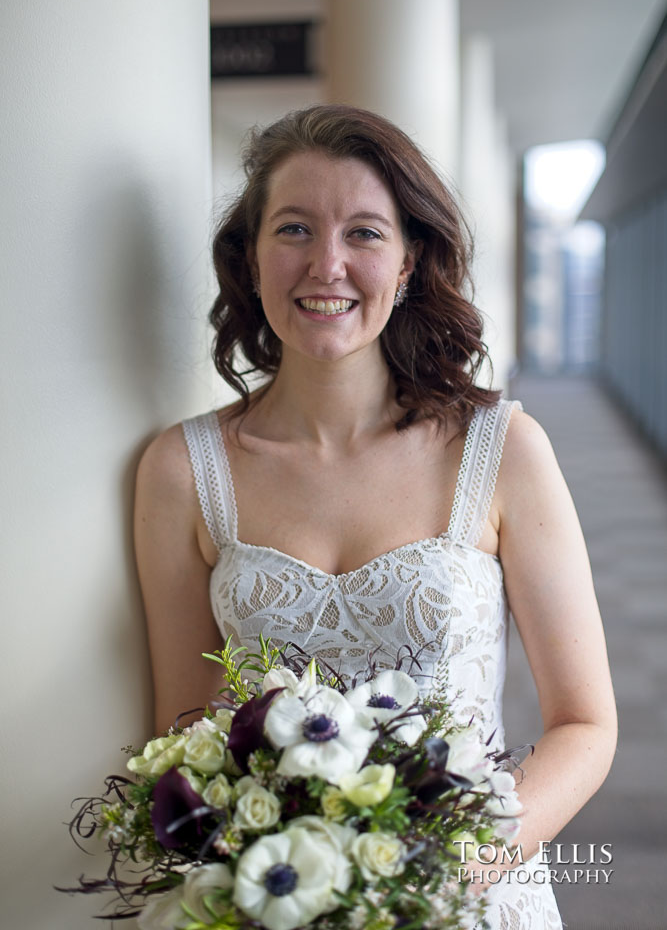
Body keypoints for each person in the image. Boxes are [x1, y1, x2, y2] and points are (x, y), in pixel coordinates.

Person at [134, 104, 616, 929]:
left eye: (363, 232)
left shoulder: (501, 450)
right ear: (250, 261)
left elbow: (584, 724)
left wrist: (439, 878)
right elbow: (185, 736)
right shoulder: (182, 471)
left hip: (466, 896)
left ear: (406, 263)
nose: (325, 264)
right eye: (292, 229)